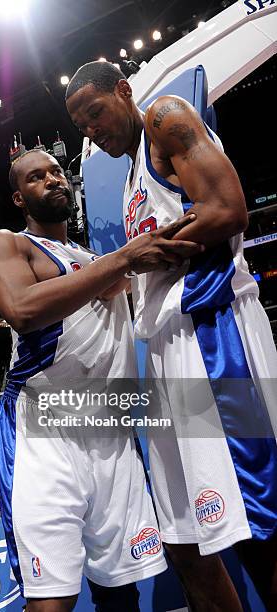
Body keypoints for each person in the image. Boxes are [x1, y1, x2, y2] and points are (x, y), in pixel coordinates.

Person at [66, 61, 277, 611]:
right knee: (185, 540)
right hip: (163, 346)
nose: (92, 129)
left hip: (213, 331)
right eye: (81, 125)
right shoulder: (132, 175)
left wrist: (142, 253)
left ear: (123, 91)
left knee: (258, 520)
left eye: (95, 112)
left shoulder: (165, 118)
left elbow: (229, 210)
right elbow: (148, 255)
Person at [0, 148, 201, 611]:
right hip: (45, 434)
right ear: (19, 198)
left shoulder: (94, 260)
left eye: (58, 172)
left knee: (122, 593)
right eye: (37, 177)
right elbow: (22, 310)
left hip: (111, 437)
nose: (53, 180)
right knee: (50, 601)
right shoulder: (10, 244)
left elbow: (142, 267)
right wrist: (122, 260)